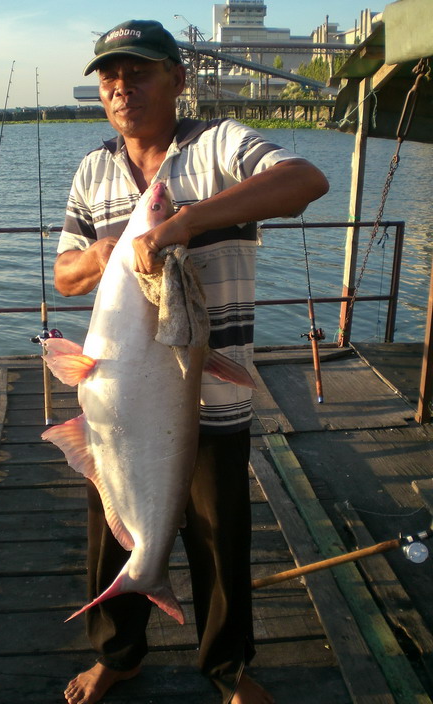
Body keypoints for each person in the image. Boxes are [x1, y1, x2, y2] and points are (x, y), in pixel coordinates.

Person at [54, 19, 329, 704]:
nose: (122, 86)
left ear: (178, 79)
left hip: (213, 392)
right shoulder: (92, 170)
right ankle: (119, 652)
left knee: (216, 538)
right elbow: (64, 274)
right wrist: (104, 253)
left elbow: (304, 180)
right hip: (118, 401)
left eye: (140, 71)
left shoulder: (218, 147)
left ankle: (228, 668)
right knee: (114, 531)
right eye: (111, 76)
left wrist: (181, 223)